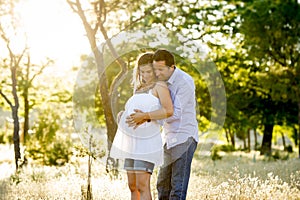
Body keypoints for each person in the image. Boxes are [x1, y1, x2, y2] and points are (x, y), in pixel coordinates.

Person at [127, 49, 199, 200]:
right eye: (155, 69)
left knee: (177, 186)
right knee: (162, 185)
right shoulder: (161, 82)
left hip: (184, 137)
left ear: (171, 67)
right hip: (168, 138)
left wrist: (146, 116)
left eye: (160, 69)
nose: (156, 73)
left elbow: (174, 113)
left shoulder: (184, 82)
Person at [110, 52, 174, 200]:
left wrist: (144, 116)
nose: (145, 75)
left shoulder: (160, 86)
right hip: (131, 142)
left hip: (147, 142)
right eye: (142, 72)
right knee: (132, 186)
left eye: (149, 71)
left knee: (142, 185)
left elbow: (168, 111)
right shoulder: (138, 89)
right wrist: (123, 115)